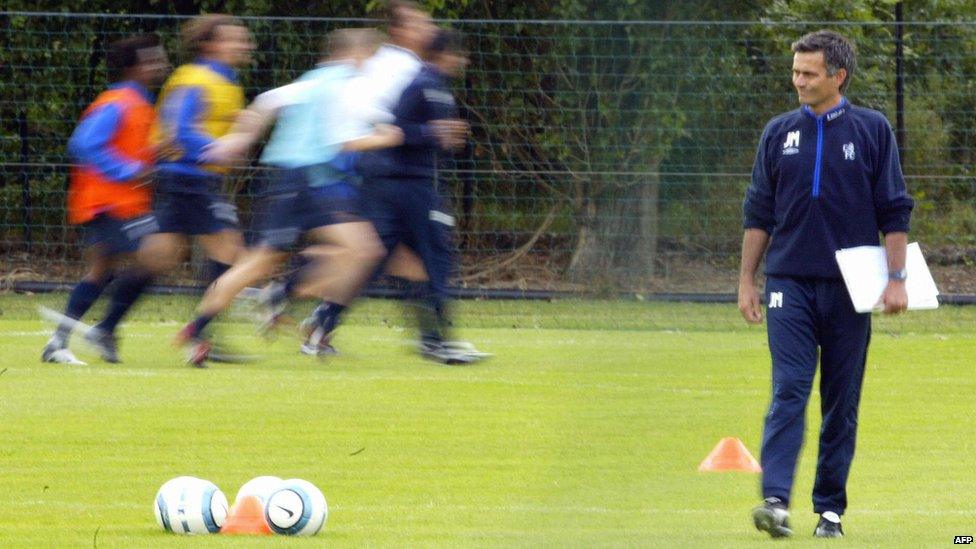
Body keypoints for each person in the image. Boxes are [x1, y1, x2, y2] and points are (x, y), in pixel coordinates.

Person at [739, 30, 914, 539]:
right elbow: (758, 213)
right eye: (795, 71)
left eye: (809, 73)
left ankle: (830, 510)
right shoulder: (777, 133)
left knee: (841, 399)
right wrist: (747, 279)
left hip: (851, 289)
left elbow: (894, 210)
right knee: (789, 388)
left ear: (837, 76)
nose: (798, 80)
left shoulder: (872, 130)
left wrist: (897, 279)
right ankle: (774, 500)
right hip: (788, 284)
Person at [176, 28, 403, 366]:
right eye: (370, 56)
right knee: (347, 253)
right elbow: (344, 142)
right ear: (356, 55)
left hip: (297, 178)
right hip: (306, 179)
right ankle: (214, 323)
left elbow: (265, 103)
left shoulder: (311, 81)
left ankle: (269, 300)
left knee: (360, 250)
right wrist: (385, 138)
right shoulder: (348, 84)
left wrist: (239, 139)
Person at [80, 14, 254, 363]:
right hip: (188, 178)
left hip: (194, 178)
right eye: (234, 39)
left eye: (244, 39)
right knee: (232, 255)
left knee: (157, 257)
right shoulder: (193, 78)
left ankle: (105, 328)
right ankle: (201, 337)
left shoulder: (227, 80)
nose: (243, 45)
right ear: (210, 44)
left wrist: (232, 145)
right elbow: (177, 130)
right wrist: (215, 148)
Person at [354, 26, 486, 364]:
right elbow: (395, 131)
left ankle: (434, 339)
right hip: (409, 186)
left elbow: (429, 136)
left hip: (415, 183)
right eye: (459, 53)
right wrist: (433, 132)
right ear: (444, 54)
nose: (464, 60)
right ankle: (441, 341)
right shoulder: (421, 85)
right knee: (436, 258)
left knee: (403, 262)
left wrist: (443, 136)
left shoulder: (436, 86)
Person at [41, 35, 170, 364]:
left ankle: (59, 343)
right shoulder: (118, 101)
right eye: (152, 60)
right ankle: (105, 328)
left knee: (101, 270)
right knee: (158, 255)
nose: (161, 65)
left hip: (121, 202)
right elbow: (83, 144)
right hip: (109, 202)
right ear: (132, 68)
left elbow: (131, 148)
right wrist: (130, 170)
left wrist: (157, 156)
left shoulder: (140, 103)